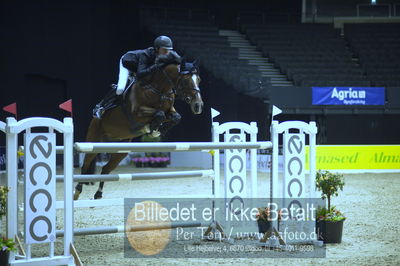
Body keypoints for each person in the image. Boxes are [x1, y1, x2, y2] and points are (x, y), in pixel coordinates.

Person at [93, 35, 181, 118]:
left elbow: (179, 63)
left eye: (168, 50)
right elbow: (140, 74)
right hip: (127, 64)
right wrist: (155, 66)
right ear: (157, 49)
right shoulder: (145, 55)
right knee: (120, 89)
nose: (167, 52)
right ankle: (100, 107)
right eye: (164, 50)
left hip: (142, 68)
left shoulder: (170, 55)